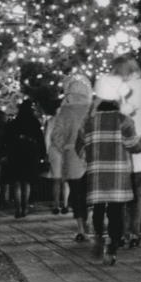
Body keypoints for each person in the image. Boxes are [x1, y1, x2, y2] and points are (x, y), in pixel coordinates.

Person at [76, 73, 141, 265]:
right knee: (116, 211)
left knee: (99, 208)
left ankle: (98, 238)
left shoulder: (88, 122)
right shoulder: (124, 120)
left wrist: (90, 159)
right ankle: (112, 246)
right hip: (118, 175)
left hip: (97, 174)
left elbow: (79, 147)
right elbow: (133, 145)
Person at [111, 54, 141, 248]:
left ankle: (125, 231)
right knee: (138, 189)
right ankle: (135, 230)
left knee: (124, 190)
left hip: (125, 140)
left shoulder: (118, 88)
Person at [48, 73, 93, 241]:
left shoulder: (64, 111)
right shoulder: (91, 110)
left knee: (76, 193)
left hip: (72, 157)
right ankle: (90, 220)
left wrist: (65, 148)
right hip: (91, 156)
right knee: (90, 191)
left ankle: (81, 228)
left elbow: (56, 136)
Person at [4, 99, 46, 219]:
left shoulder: (14, 123)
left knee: (17, 182)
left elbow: (7, 139)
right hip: (30, 153)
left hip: (16, 153)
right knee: (26, 182)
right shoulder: (34, 122)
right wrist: (42, 153)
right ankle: (25, 206)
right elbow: (40, 138)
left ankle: (18, 208)